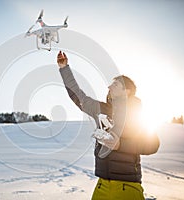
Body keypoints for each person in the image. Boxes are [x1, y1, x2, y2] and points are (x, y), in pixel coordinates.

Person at [57, 51, 160, 200]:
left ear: (127, 90)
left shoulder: (136, 114)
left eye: (115, 84)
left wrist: (120, 145)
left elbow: (153, 145)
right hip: (102, 185)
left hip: (127, 186)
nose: (109, 86)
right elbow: (78, 96)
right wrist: (64, 68)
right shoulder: (102, 109)